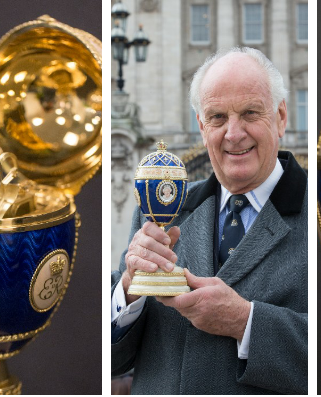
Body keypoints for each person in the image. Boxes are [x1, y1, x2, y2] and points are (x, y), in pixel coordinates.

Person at [111, 47, 307, 394]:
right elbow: (111, 362)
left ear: (280, 116)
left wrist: (246, 322)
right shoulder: (161, 205)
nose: (233, 133)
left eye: (249, 113)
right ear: (202, 126)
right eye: (217, 117)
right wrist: (129, 288)